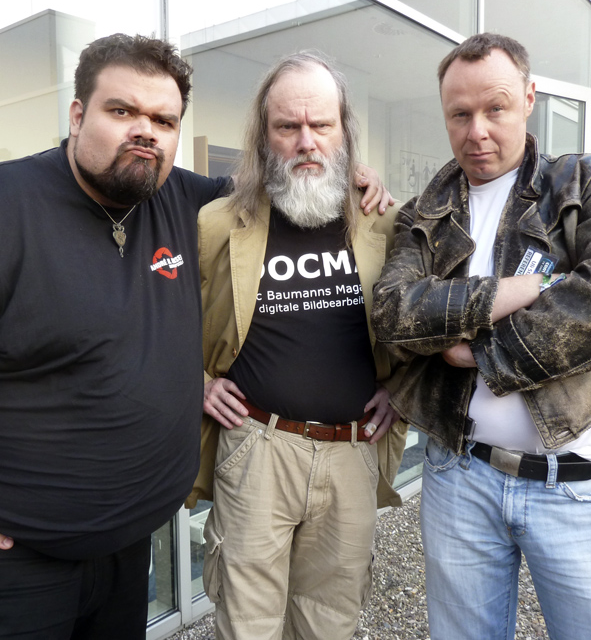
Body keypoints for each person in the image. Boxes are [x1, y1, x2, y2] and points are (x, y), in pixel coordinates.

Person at [0, 34, 391, 640]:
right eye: (121, 110)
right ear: (77, 115)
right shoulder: (15, 204)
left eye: (163, 120)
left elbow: (290, 184)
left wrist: (352, 171)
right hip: (25, 553)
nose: (144, 132)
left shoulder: (185, 199)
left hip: (133, 537)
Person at [371, 32, 591, 640]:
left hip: (574, 484)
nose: (478, 132)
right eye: (460, 114)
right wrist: (519, 290)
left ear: (529, 98)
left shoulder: (578, 185)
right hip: (459, 475)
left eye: (496, 108)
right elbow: (392, 313)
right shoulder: (424, 213)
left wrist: (478, 350)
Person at [185, 51, 408, 640]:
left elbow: (423, 327)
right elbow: (161, 317)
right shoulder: (216, 224)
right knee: (248, 624)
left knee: (329, 622)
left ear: (344, 132)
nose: (306, 141)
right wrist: (195, 382)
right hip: (256, 451)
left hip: (354, 452)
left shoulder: (386, 223)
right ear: (264, 136)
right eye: (288, 126)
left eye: (321, 124)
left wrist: (403, 390)